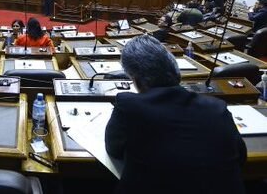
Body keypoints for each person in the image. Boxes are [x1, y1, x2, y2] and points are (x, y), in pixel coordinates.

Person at [105, 35, 246, 194]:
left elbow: (113, 149)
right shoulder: (218, 108)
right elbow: (241, 156)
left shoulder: (129, 105)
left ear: (135, 79)